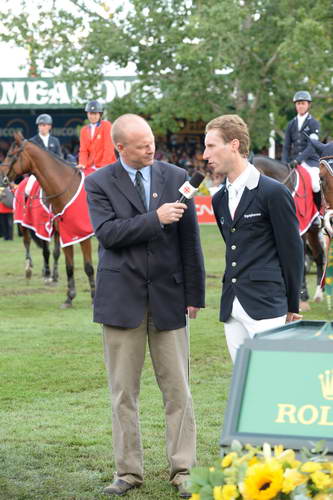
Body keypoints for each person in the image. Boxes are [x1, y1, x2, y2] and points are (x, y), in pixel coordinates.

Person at [84, 114, 205, 498]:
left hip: (170, 299)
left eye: (151, 140)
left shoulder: (174, 175)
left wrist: (194, 295)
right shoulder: (98, 183)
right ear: (120, 147)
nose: (150, 148)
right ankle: (128, 472)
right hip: (122, 303)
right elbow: (108, 235)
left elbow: (190, 240)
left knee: (179, 391)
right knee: (123, 393)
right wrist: (155, 218)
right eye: (140, 144)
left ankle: (184, 471)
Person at [203, 114, 303, 362]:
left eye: (211, 146)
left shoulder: (274, 192)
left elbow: (292, 252)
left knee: (272, 385)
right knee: (243, 386)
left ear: (234, 145)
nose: (205, 155)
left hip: (268, 305)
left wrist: (293, 305)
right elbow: (233, 245)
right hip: (232, 307)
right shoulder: (218, 199)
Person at [282, 91, 321, 202]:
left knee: (315, 184)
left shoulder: (313, 123)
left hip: (310, 161)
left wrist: (298, 160)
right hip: (293, 162)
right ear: (295, 105)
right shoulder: (291, 124)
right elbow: (286, 146)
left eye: (303, 103)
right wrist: (284, 162)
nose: (300, 106)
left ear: (308, 105)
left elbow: (312, 146)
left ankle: (319, 213)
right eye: (298, 103)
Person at [78, 100, 116, 175]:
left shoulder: (106, 126)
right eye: (90, 114)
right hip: (90, 166)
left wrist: (104, 166)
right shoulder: (84, 130)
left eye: (95, 114)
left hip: (106, 166)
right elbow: (83, 150)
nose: (92, 116)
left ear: (100, 114)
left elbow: (108, 148)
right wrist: (82, 163)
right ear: (87, 114)